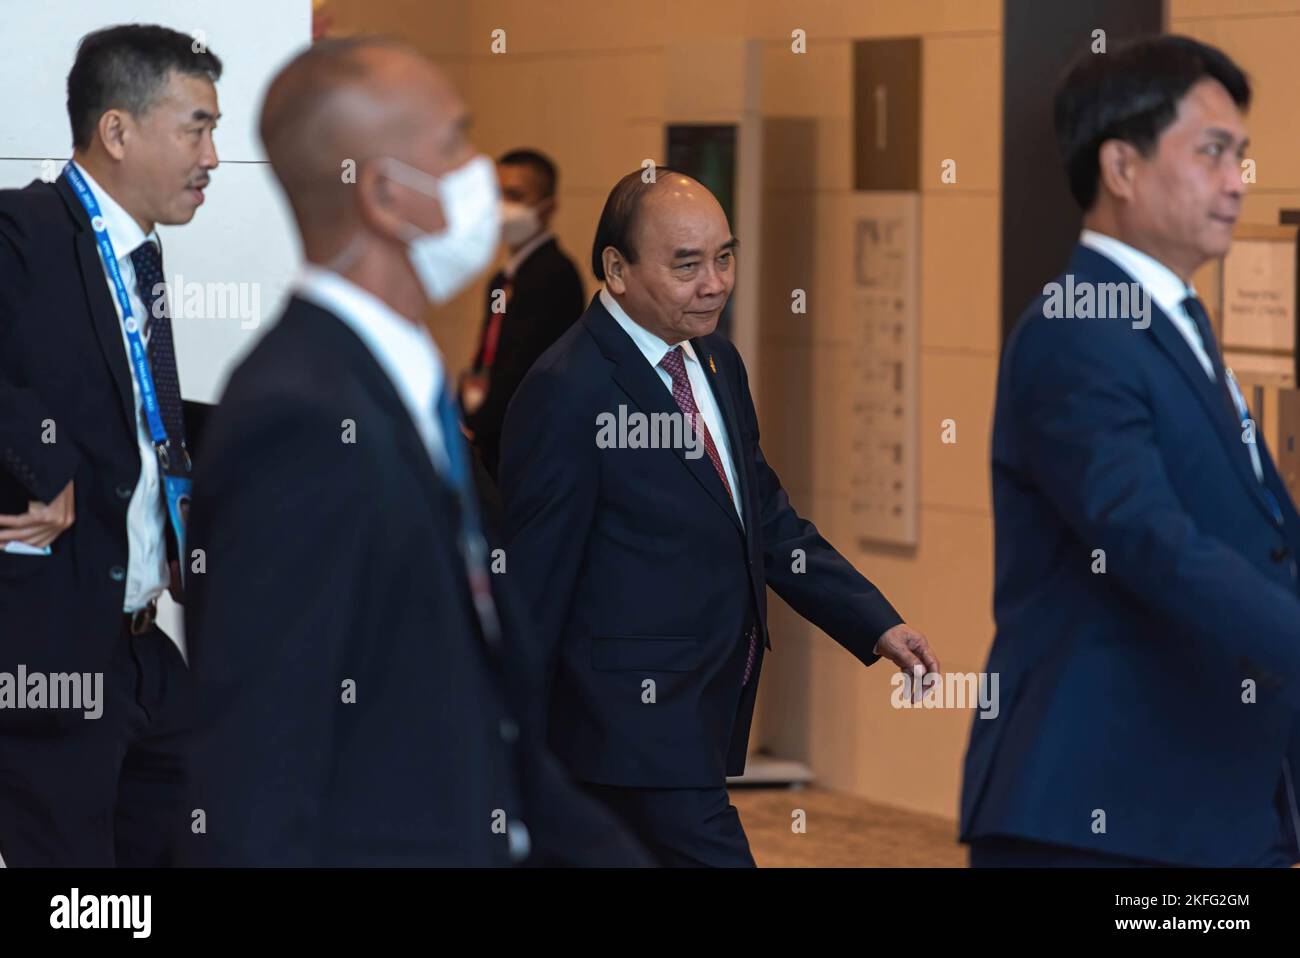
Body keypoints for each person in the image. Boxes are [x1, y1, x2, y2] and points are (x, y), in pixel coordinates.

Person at [184, 37, 646, 866]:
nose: (479, 177)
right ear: (389, 195)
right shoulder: (298, 416)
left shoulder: (393, 385)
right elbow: (260, 763)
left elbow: (481, 725)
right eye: (456, 143)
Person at [498, 168, 939, 866]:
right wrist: (508, 753)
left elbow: (763, 515)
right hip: (626, 728)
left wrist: (874, 619)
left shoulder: (715, 361)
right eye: (687, 265)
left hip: (702, 708)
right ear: (616, 269)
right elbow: (530, 585)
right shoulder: (567, 390)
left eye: (724, 257)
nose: (715, 282)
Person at [961, 35, 1300, 867]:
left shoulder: (1171, 324)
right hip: (1101, 812)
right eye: (1212, 152)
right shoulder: (1077, 329)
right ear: (1121, 167)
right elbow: (1147, 536)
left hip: (1210, 804)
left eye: (1242, 156)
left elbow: (1259, 538)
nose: (1235, 182)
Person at [0, 24, 220, 866]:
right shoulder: (23, 229)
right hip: (52, 658)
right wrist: (38, 470)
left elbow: (132, 412)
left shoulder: (141, 260)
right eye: (194, 127)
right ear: (117, 131)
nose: (212, 154)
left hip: (144, 652)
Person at [461, 149, 584, 479]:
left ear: (547, 207)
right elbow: (490, 355)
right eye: (496, 194)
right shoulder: (503, 279)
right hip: (491, 439)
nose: (501, 206)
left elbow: (528, 370)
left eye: (514, 195)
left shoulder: (555, 274)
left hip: (527, 446)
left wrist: (482, 421)